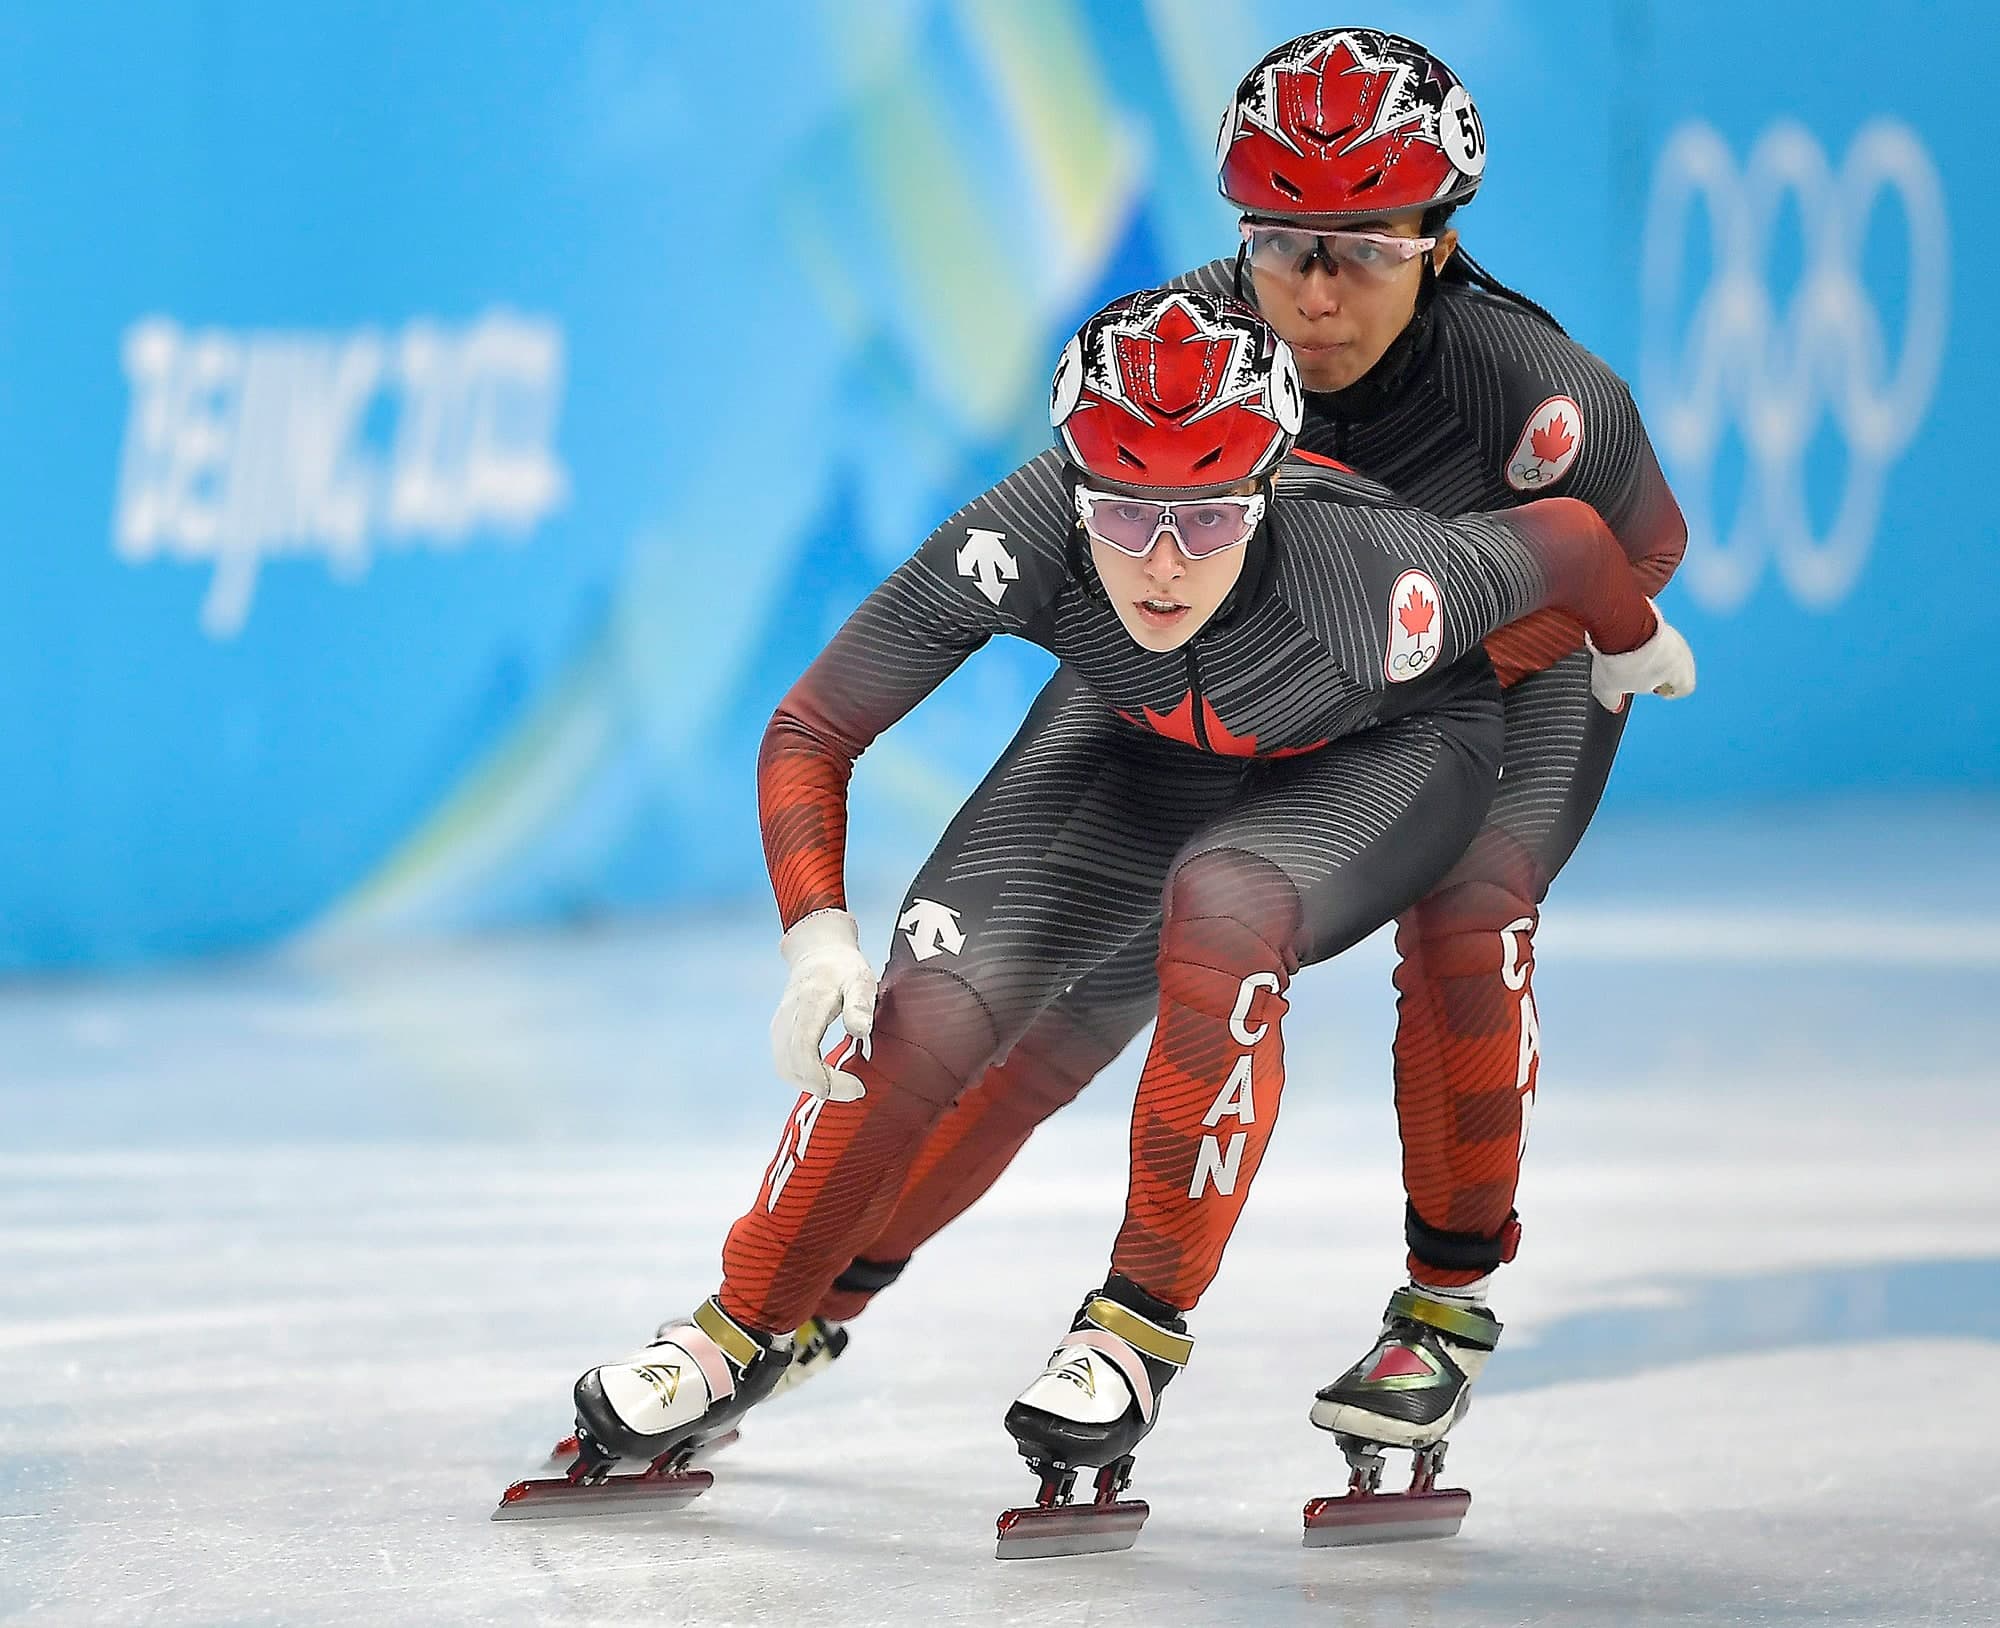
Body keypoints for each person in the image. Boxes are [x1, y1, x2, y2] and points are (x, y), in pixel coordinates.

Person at [559, 288, 1691, 1514]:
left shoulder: (1380, 582)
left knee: (1225, 902)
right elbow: (813, 723)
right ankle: (737, 1332)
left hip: (1390, 746)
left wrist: (1630, 641)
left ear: (1263, 495)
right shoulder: (1025, 530)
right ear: (1070, 487)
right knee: (929, 1000)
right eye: (1123, 514)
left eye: (1206, 519)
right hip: (1143, 734)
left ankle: (1132, 1333)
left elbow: (1576, 544)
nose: (1160, 562)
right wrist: (815, 932)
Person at [788, 27, 1689, 1472]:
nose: (1317, 296)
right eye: (1282, 247)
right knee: (1071, 989)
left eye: (1364, 254)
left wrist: (1407, 676)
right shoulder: (1179, 339)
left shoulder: (1533, 388)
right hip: (1218, 658)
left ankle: (1444, 1306)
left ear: (1441, 248)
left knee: (1467, 911)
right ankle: (815, 1298)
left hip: (1488, 674)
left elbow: (1635, 551)